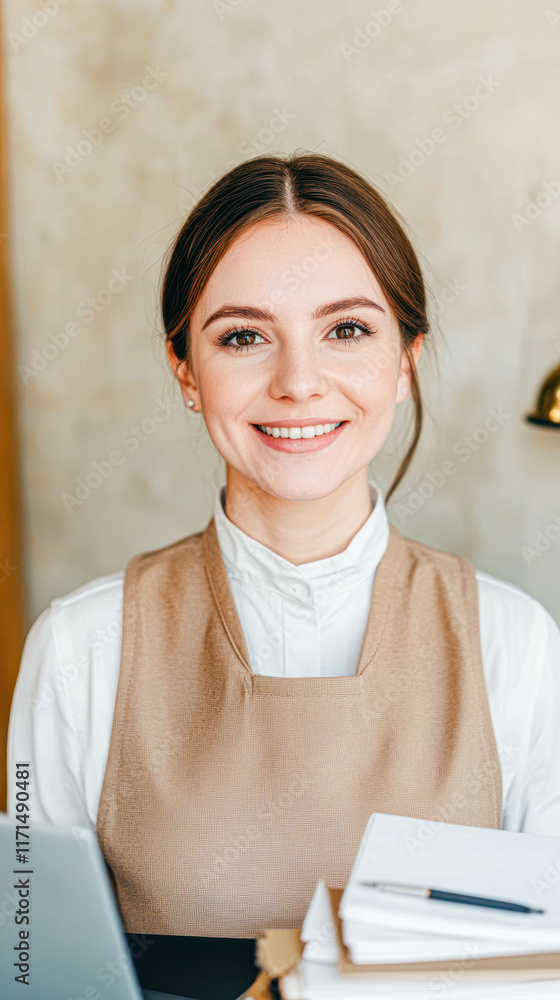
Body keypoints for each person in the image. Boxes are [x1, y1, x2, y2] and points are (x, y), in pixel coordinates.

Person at [7, 153, 560, 940]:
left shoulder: (519, 647)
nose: (299, 381)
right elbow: (35, 966)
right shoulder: (77, 649)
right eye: (243, 337)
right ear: (185, 371)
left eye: (346, 330)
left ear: (405, 360)